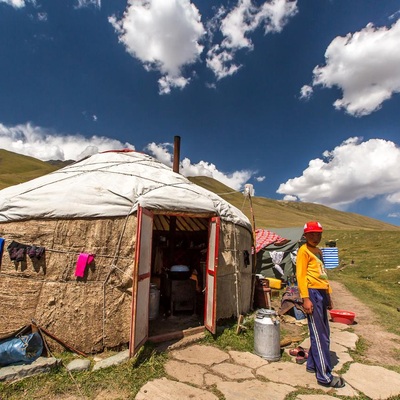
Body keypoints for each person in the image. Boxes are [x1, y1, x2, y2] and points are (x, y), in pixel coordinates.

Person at [296, 221, 345, 388]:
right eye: (311, 234)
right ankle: (324, 376)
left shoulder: (318, 252)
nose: (315, 237)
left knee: (322, 331)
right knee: (320, 334)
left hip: (321, 293)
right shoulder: (303, 251)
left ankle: (312, 365)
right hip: (312, 293)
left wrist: (329, 294)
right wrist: (305, 298)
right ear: (305, 235)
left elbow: (323, 275)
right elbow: (300, 276)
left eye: (318, 234)